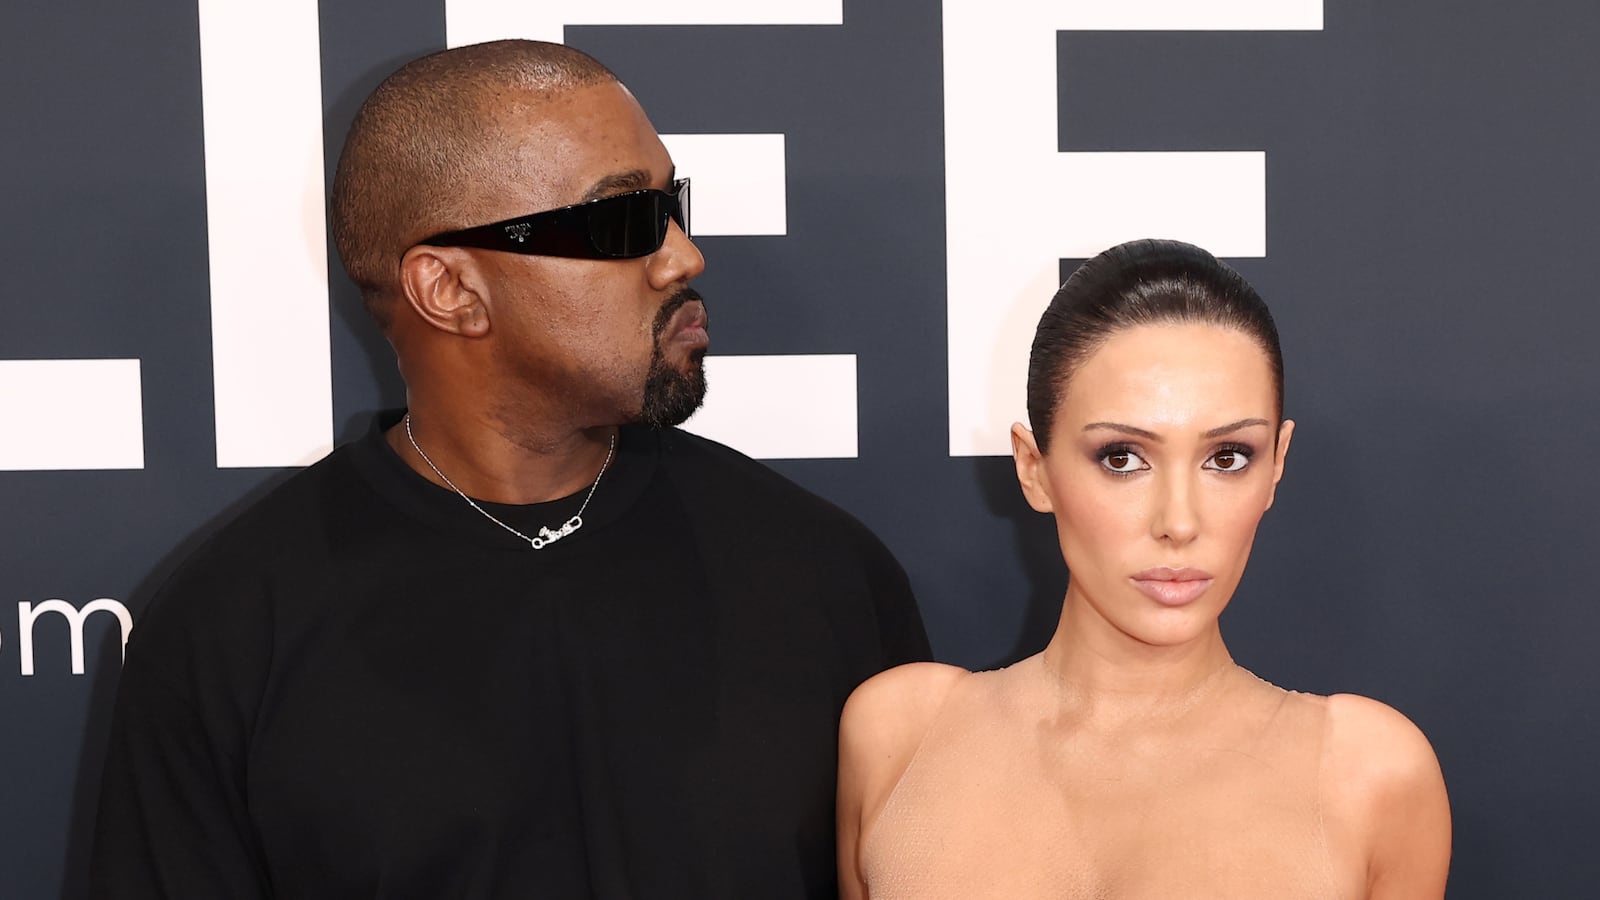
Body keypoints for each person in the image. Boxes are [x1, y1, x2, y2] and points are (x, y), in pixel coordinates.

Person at [90, 39, 928, 899]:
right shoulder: (230, 632)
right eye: (621, 221)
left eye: (672, 205)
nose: (683, 257)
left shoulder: (822, 574)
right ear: (448, 289)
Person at [837, 239, 1450, 899]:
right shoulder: (900, 735)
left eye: (1228, 457)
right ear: (1033, 468)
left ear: (1277, 463)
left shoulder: (1368, 774)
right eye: (1123, 457)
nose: (1178, 522)